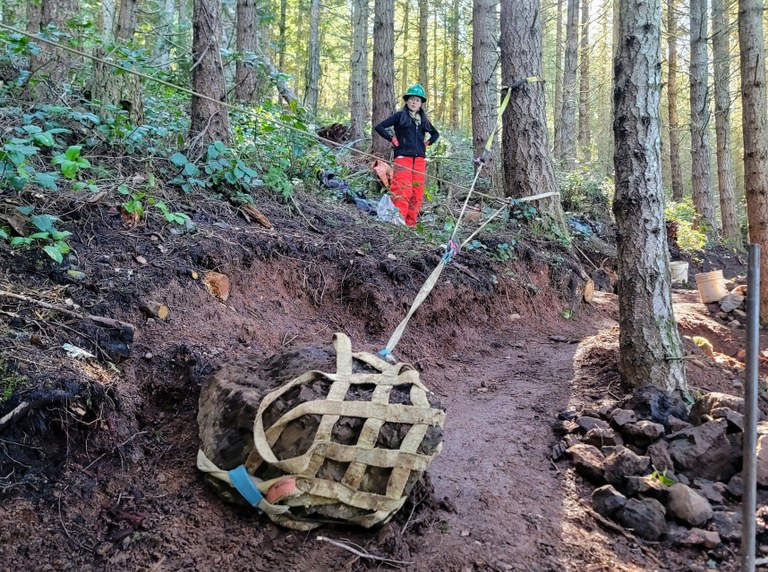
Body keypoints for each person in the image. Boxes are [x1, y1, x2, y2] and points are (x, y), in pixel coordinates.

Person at [374, 83, 440, 227]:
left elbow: (435, 134)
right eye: (412, 99)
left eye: (417, 100)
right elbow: (379, 127)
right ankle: (398, 221)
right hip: (403, 158)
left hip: (419, 161)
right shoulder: (399, 116)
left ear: (421, 103)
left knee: (417, 192)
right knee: (403, 189)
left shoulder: (423, 120)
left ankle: (411, 222)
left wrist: (427, 143)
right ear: (407, 100)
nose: (414, 102)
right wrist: (392, 139)